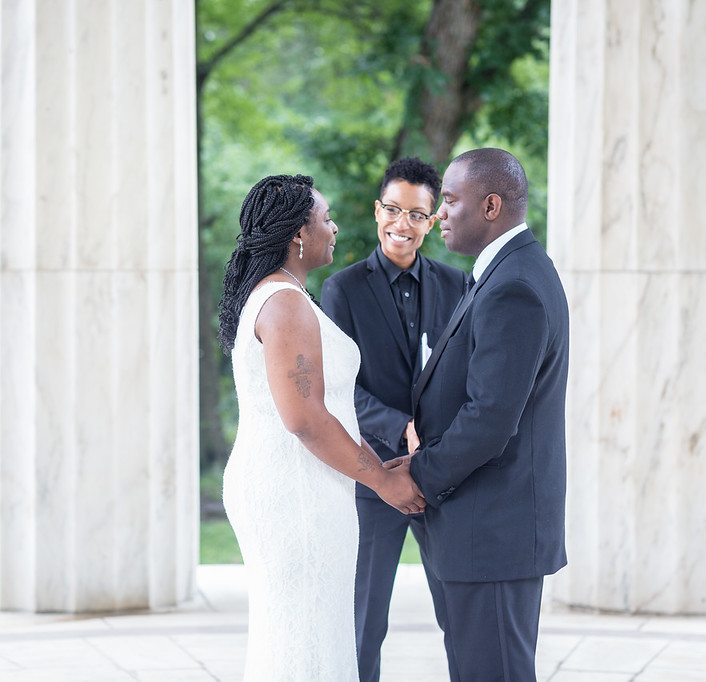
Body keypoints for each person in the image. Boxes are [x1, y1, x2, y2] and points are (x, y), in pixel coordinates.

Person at [218, 174, 426, 682]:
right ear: (297, 234)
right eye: (326, 218)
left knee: (303, 632)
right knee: (303, 639)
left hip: (303, 486)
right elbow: (306, 418)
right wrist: (382, 479)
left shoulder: (284, 296)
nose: (334, 228)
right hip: (296, 495)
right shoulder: (285, 303)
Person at [399, 148, 569, 680]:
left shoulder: (513, 286)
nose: (438, 214)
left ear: (491, 205)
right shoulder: (502, 274)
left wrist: (417, 478)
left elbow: (490, 419)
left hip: (492, 532)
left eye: (449, 201)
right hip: (479, 528)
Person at [320, 157, 466, 682]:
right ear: (376, 209)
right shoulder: (342, 290)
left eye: (417, 214)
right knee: (363, 624)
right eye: (392, 209)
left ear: (432, 220)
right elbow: (338, 388)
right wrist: (401, 425)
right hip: (372, 476)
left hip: (442, 474)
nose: (401, 224)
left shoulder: (459, 286)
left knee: (460, 617)